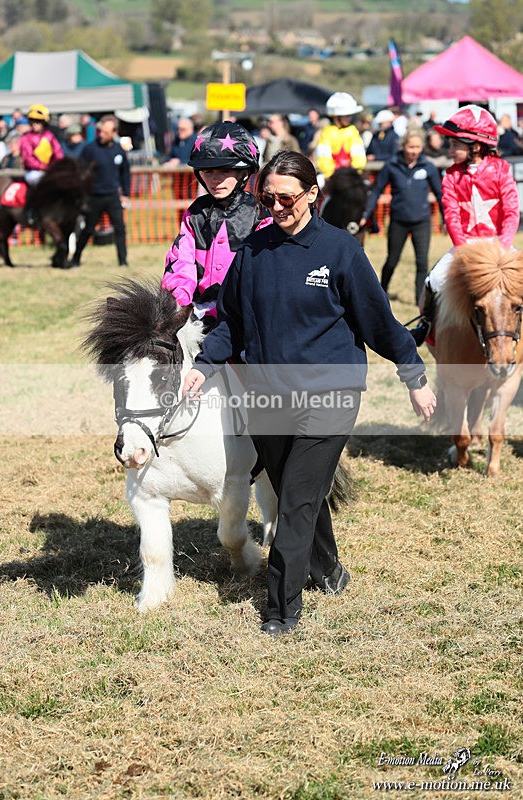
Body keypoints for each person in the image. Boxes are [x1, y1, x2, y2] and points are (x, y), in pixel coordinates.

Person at [181, 151, 436, 636]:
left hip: (329, 394)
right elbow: (230, 322)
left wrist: (414, 376)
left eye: (287, 198)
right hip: (266, 397)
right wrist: (205, 365)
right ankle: (329, 569)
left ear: (313, 195)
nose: (276, 207)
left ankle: (281, 609)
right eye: (267, 198)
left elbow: (378, 322)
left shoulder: (340, 251)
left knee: (295, 501)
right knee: (301, 493)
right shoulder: (252, 252)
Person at [410, 105, 520, 345]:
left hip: (498, 244)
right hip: (465, 246)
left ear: (476, 146)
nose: (449, 150)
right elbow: (451, 215)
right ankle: (427, 325)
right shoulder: (450, 175)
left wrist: (502, 246)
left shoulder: (501, 170)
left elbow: (512, 212)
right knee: (434, 280)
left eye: (454, 145)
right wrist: (462, 248)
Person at [161, 120, 265, 330]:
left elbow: (262, 272)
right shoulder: (195, 213)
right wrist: (179, 305)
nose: (215, 180)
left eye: (224, 171)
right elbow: (182, 262)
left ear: (244, 173)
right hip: (196, 315)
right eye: (208, 172)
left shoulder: (260, 214)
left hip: (244, 315)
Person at [360, 128, 444, 304]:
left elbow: (439, 194)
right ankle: (381, 292)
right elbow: (376, 192)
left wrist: (447, 219)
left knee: (422, 262)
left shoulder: (428, 167)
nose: (414, 151)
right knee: (392, 260)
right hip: (399, 221)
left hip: (421, 221)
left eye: (418, 147)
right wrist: (366, 214)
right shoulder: (392, 165)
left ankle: (418, 300)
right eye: (411, 146)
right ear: (403, 146)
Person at [66, 114, 130, 269]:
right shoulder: (90, 149)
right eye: (101, 131)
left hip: (113, 196)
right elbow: (80, 171)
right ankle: (75, 259)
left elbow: (125, 172)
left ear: (114, 132)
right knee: (88, 229)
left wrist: (126, 194)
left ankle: (123, 261)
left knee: (120, 228)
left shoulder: (119, 150)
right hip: (95, 197)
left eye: (106, 132)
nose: (102, 134)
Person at [18, 103, 64, 225]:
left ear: (44, 123)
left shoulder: (49, 136)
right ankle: (32, 211)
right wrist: (44, 168)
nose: (35, 124)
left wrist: (57, 166)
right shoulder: (25, 138)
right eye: (32, 121)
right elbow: (28, 158)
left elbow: (58, 153)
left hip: (49, 170)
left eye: (38, 121)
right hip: (33, 172)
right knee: (40, 182)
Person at [315, 92, 366, 181]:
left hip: (351, 176)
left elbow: (359, 157)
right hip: (332, 178)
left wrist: (353, 173)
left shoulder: (353, 131)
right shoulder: (327, 132)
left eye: (350, 115)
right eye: (346, 116)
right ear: (336, 117)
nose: (349, 118)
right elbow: (324, 158)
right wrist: (332, 175)